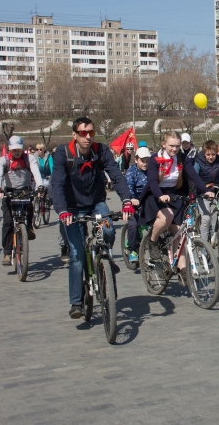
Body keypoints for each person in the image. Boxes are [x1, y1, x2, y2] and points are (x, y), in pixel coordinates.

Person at [50, 117, 135, 319]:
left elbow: (116, 175)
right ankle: (76, 303)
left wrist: (126, 201)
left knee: (106, 228)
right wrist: (62, 210)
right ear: (74, 134)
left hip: (96, 203)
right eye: (83, 133)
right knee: (77, 255)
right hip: (71, 208)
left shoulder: (101, 150)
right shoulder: (63, 153)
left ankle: (105, 256)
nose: (88, 137)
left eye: (91, 133)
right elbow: (57, 185)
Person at [140, 131, 214, 284]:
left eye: (177, 146)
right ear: (163, 144)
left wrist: (205, 190)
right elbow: (153, 181)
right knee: (166, 217)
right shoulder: (155, 159)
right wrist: (160, 195)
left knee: (179, 233)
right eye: (171, 146)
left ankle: (182, 270)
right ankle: (153, 242)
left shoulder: (182, 157)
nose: (174, 149)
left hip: (175, 194)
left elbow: (193, 175)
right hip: (155, 194)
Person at [0, 136, 44, 265]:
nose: (17, 152)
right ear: (10, 149)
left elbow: (36, 172)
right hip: (9, 191)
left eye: (19, 149)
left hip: (25, 190)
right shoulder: (3, 160)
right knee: (8, 223)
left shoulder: (29, 158)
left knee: (29, 208)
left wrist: (40, 186)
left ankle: (29, 227)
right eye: (14, 149)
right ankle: (6, 252)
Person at [124, 146, 150, 263]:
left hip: (147, 201)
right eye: (142, 161)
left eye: (147, 161)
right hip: (132, 202)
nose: (145, 164)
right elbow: (128, 187)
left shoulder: (152, 171)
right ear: (136, 160)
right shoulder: (131, 172)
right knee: (133, 224)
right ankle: (132, 249)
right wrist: (132, 198)